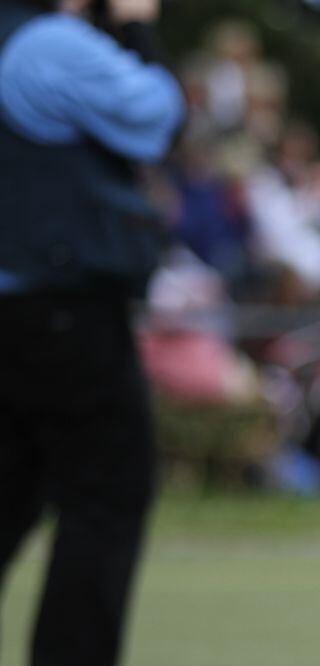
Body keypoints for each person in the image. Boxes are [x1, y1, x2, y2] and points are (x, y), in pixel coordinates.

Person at [0, 0, 184, 664]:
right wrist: (137, 25)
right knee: (107, 494)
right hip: (59, 308)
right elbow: (159, 118)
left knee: (11, 489)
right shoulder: (49, 45)